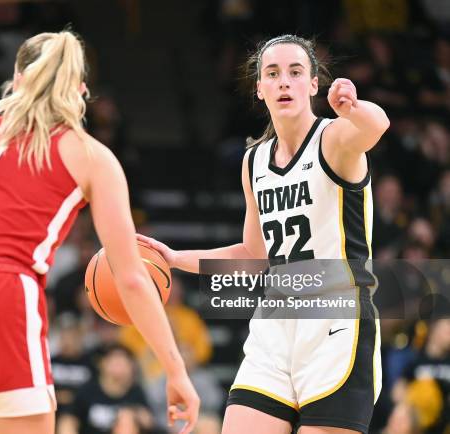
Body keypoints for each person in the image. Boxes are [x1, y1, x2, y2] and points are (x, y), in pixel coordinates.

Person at [0, 31, 199, 434]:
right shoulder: (89, 154)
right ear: (81, 90)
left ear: (16, 78)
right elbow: (132, 277)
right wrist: (175, 369)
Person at [138, 34, 390, 433]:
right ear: (260, 88)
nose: (284, 82)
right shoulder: (254, 161)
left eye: (295, 72)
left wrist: (354, 109)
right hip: (276, 323)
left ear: (313, 84)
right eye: (272, 74)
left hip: (337, 323)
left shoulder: (335, 139)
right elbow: (253, 254)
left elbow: (378, 126)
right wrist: (174, 258)